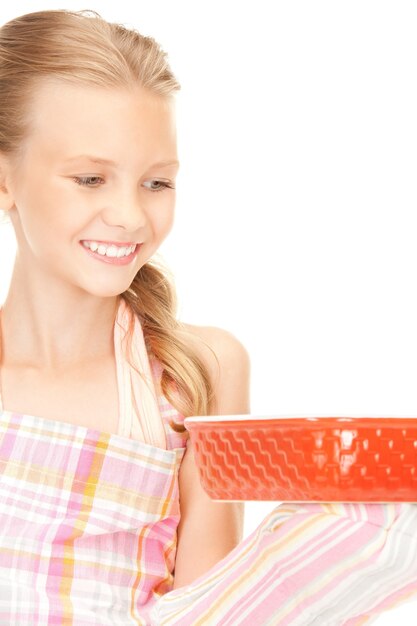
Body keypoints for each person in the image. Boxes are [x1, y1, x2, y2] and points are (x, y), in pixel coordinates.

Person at [0, 9, 416, 626]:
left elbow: (211, 610)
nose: (129, 216)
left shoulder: (194, 373)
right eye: (91, 178)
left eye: (156, 183)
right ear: (5, 180)